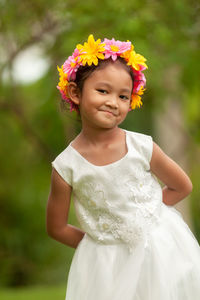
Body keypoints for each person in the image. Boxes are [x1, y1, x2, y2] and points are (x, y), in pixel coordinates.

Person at [46, 34, 200, 300]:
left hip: (157, 250)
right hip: (106, 264)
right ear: (75, 93)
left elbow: (182, 186)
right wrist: (100, 246)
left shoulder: (142, 147)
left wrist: (145, 215)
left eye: (123, 96)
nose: (113, 102)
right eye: (103, 91)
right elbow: (56, 227)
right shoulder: (66, 166)